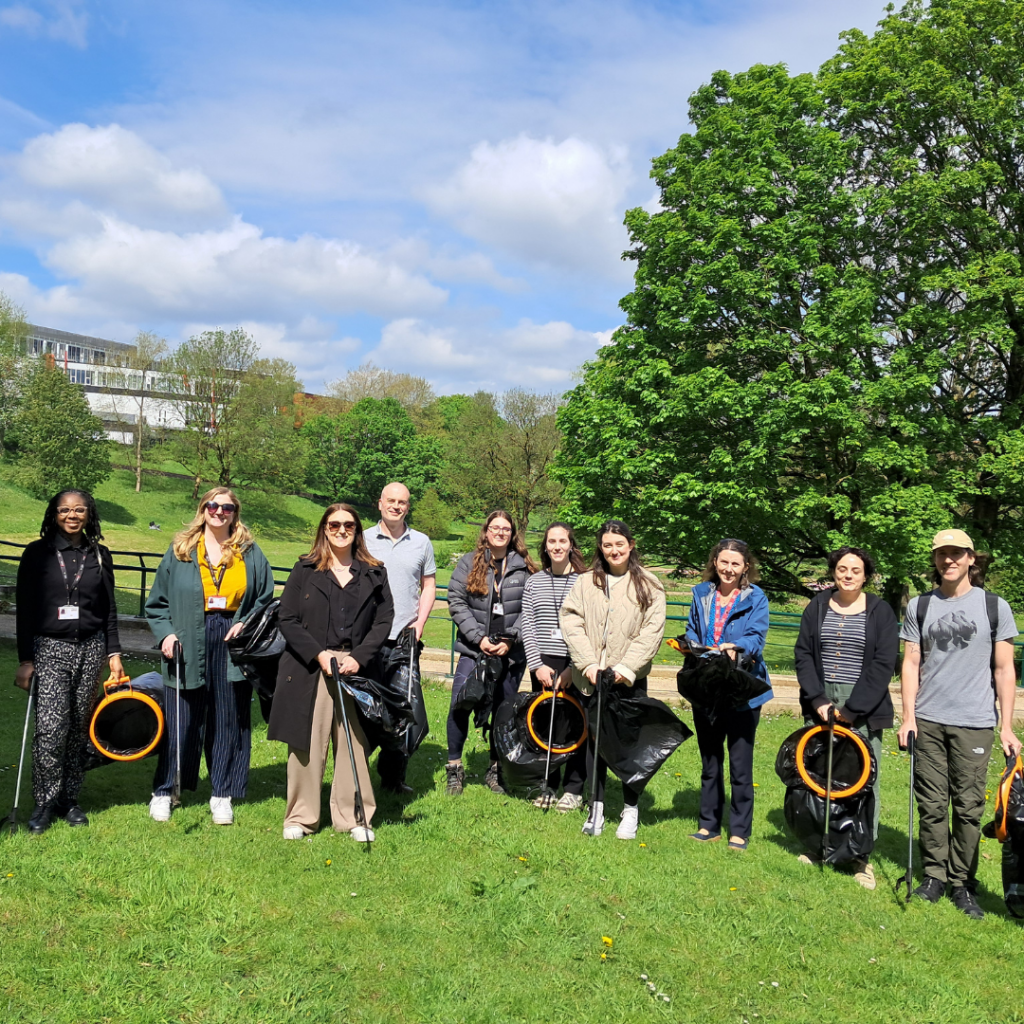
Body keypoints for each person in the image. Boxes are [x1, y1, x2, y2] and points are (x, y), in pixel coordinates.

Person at [898, 528, 1021, 919]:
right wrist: (908, 717)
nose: (949, 560)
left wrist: (1006, 725)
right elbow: (912, 663)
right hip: (929, 721)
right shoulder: (919, 606)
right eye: (942, 554)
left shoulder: (994, 607)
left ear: (971, 559)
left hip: (975, 722)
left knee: (968, 807)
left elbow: (1004, 671)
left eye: (957, 553)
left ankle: (962, 882)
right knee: (931, 804)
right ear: (935, 560)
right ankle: (933, 876)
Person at [145, 487, 274, 825]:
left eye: (227, 507)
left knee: (227, 719)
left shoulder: (249, 552)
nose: (220, 512)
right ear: (203, 509)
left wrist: (245, 622)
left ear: (235, 512)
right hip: (187, 637)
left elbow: (264, 598)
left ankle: (222, 793)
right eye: (213, 506)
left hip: (232, 639)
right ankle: (165, 789)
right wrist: (167, 633)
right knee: (181, 719)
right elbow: (156, 603)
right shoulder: (181, 551)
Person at [268, 504, 394, 842]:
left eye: (348, 525)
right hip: (311, 667)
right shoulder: (305, 569)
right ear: (324, 528)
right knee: (307, 742)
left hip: (355, 669)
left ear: (357, 531)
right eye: (334, 524)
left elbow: (384, 621)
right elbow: (287, 618)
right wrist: (319, 654)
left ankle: (354, 818)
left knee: (353, 742)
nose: (341, 530)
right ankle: (300, 817)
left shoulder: (374, 572)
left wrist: (359, 657)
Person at [14, 490, 123, 834]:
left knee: (78, 726)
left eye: (79, 510)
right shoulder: (37, 554)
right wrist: (26, 660)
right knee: (50, 728)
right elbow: (25, 610)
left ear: (89, 515)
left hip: (90, 649)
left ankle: (67, 799)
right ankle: (44, 801)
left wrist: (114, 653)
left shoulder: (100, 555)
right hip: (49, 648)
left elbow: (108, 611)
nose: (72, 515)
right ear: (54, 514)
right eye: (65, 510)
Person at [794, 546, 899, 888]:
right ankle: (818, 844)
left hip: (863, 706)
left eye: (855, 569)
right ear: (834, 572)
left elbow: (884, 664)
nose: (848, 574)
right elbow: (804, 654)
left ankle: (859, 857)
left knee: (863, 781)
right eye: (842, 568)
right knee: (820, 776)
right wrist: (819, 699)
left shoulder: (880, 611)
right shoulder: (817, 605)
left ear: (866, 574)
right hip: (822, 703)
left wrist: (852, 711)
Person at [561, 519, 667, 840]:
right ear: (600, 548)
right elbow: (571, 621)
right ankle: (596, 808)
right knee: (596, 745)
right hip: (592, 679)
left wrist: (626, 668)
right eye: (607, 545)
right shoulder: (585, 582)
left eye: (619, 544)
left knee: (628, 747)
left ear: (631, 545)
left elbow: (652, 630)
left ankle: (630, 811)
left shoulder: (649, 585)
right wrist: (588, 663)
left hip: (628, 681)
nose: (614, 550)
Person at [684, 538, 772, 851]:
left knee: (740, 762)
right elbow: (693, 629)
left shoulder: (756, 597)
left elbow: (756, 637)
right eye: (724, 562)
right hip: (707, 685)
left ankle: (739, 830)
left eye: (736, 563)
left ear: (746, 567)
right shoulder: (701, 593)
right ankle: (709, 825)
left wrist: (737, 648)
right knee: (710, 760)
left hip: (742, 689)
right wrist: (694, 645)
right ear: (715, 562)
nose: (729, 569)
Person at [445, 510, 536, 796]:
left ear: (512, 534)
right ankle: (454, 768)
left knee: (504, 712)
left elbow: (530, 607)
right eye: (495, 528)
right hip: (475, 650)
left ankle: (495, 770)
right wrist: (478, 638)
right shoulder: (469, 562)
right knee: (460, 703)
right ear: (486, 531)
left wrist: (512, 640)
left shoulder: (524, 566)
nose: (500, 532)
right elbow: (456, 600)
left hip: (510, 653)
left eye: (505, 529)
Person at [363, 482, 436, 794]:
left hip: (404, 641)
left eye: (402, 502)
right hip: (366, 641)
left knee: (402, 711)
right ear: (380, 504)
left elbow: (429, 584)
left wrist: (419, 625)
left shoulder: (421, 542)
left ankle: (393, 779)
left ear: (408, 506)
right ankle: (355, 776)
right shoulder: (362, 539)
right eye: (391, 501)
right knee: (365, 709)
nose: (396, 506)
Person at [520, 522, 588, 810]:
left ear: (571, 544)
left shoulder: (586, 582)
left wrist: (574, 667)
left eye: (562, 541)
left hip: (575, 664)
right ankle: (546, 784)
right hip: (544, 665)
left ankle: (574, 788)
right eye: (551, 541)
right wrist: (536, 665)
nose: (557, 546)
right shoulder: (534, 582)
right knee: (545, 726)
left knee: (575, 726)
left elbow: (591, 628)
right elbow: (528, 624)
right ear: (545, 546)